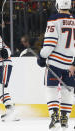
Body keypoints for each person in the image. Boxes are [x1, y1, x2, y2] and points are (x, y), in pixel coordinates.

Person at [37, 0, 75, 130]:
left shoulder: (54, 19)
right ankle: (64, 120)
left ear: (58, 5)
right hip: (71, 64)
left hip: (55, 63)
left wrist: (42, 56)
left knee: (51, 89)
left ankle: (55, 118)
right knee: (67, 92)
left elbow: (50, 43)